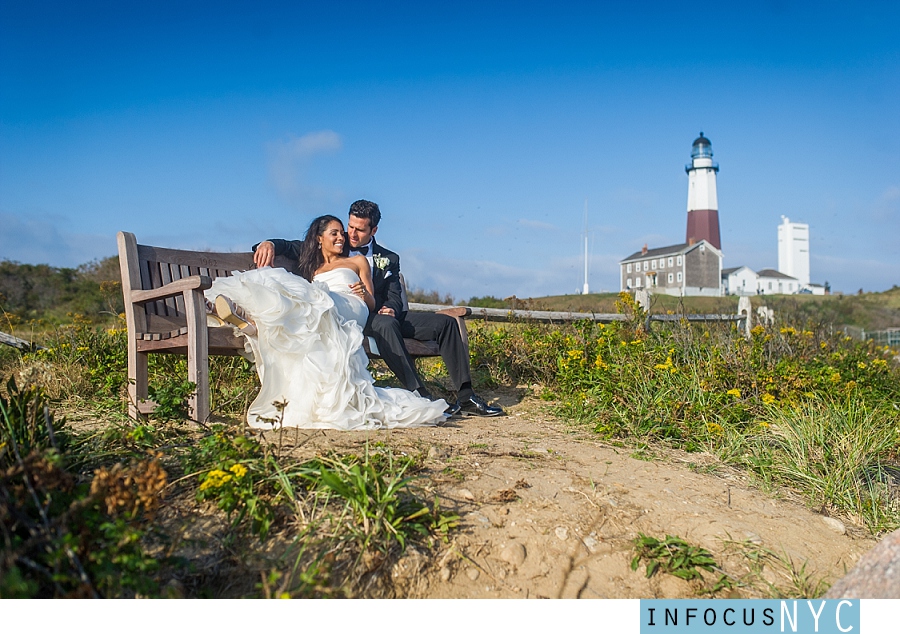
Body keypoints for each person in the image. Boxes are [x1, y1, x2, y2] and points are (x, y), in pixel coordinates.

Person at [253, 200, 504, 417]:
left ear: (373, 230)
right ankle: (419, 392)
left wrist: (391, 308)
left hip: (383, 314)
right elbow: (295, 245)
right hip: (356, 317)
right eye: (349, 226)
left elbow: (394, 292)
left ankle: (466, 395)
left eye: (359, 230)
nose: (350, 234)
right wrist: (269, 243)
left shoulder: (389, 258)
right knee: (385, 324)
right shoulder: (333, 245)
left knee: (446, 323)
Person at [207, 215, 448, 430]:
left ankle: (251, 319)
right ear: (319, 238)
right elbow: (287, 246)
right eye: (335, 233)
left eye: (342, 233)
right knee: (300, 296)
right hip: (321, 306)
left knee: (311, 297)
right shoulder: (312, 264)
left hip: (352, 306)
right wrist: (269, 242)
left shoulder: (357, 262)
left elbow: (371, 304)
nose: (342, 238)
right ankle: (251, 320)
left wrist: (364, 293)